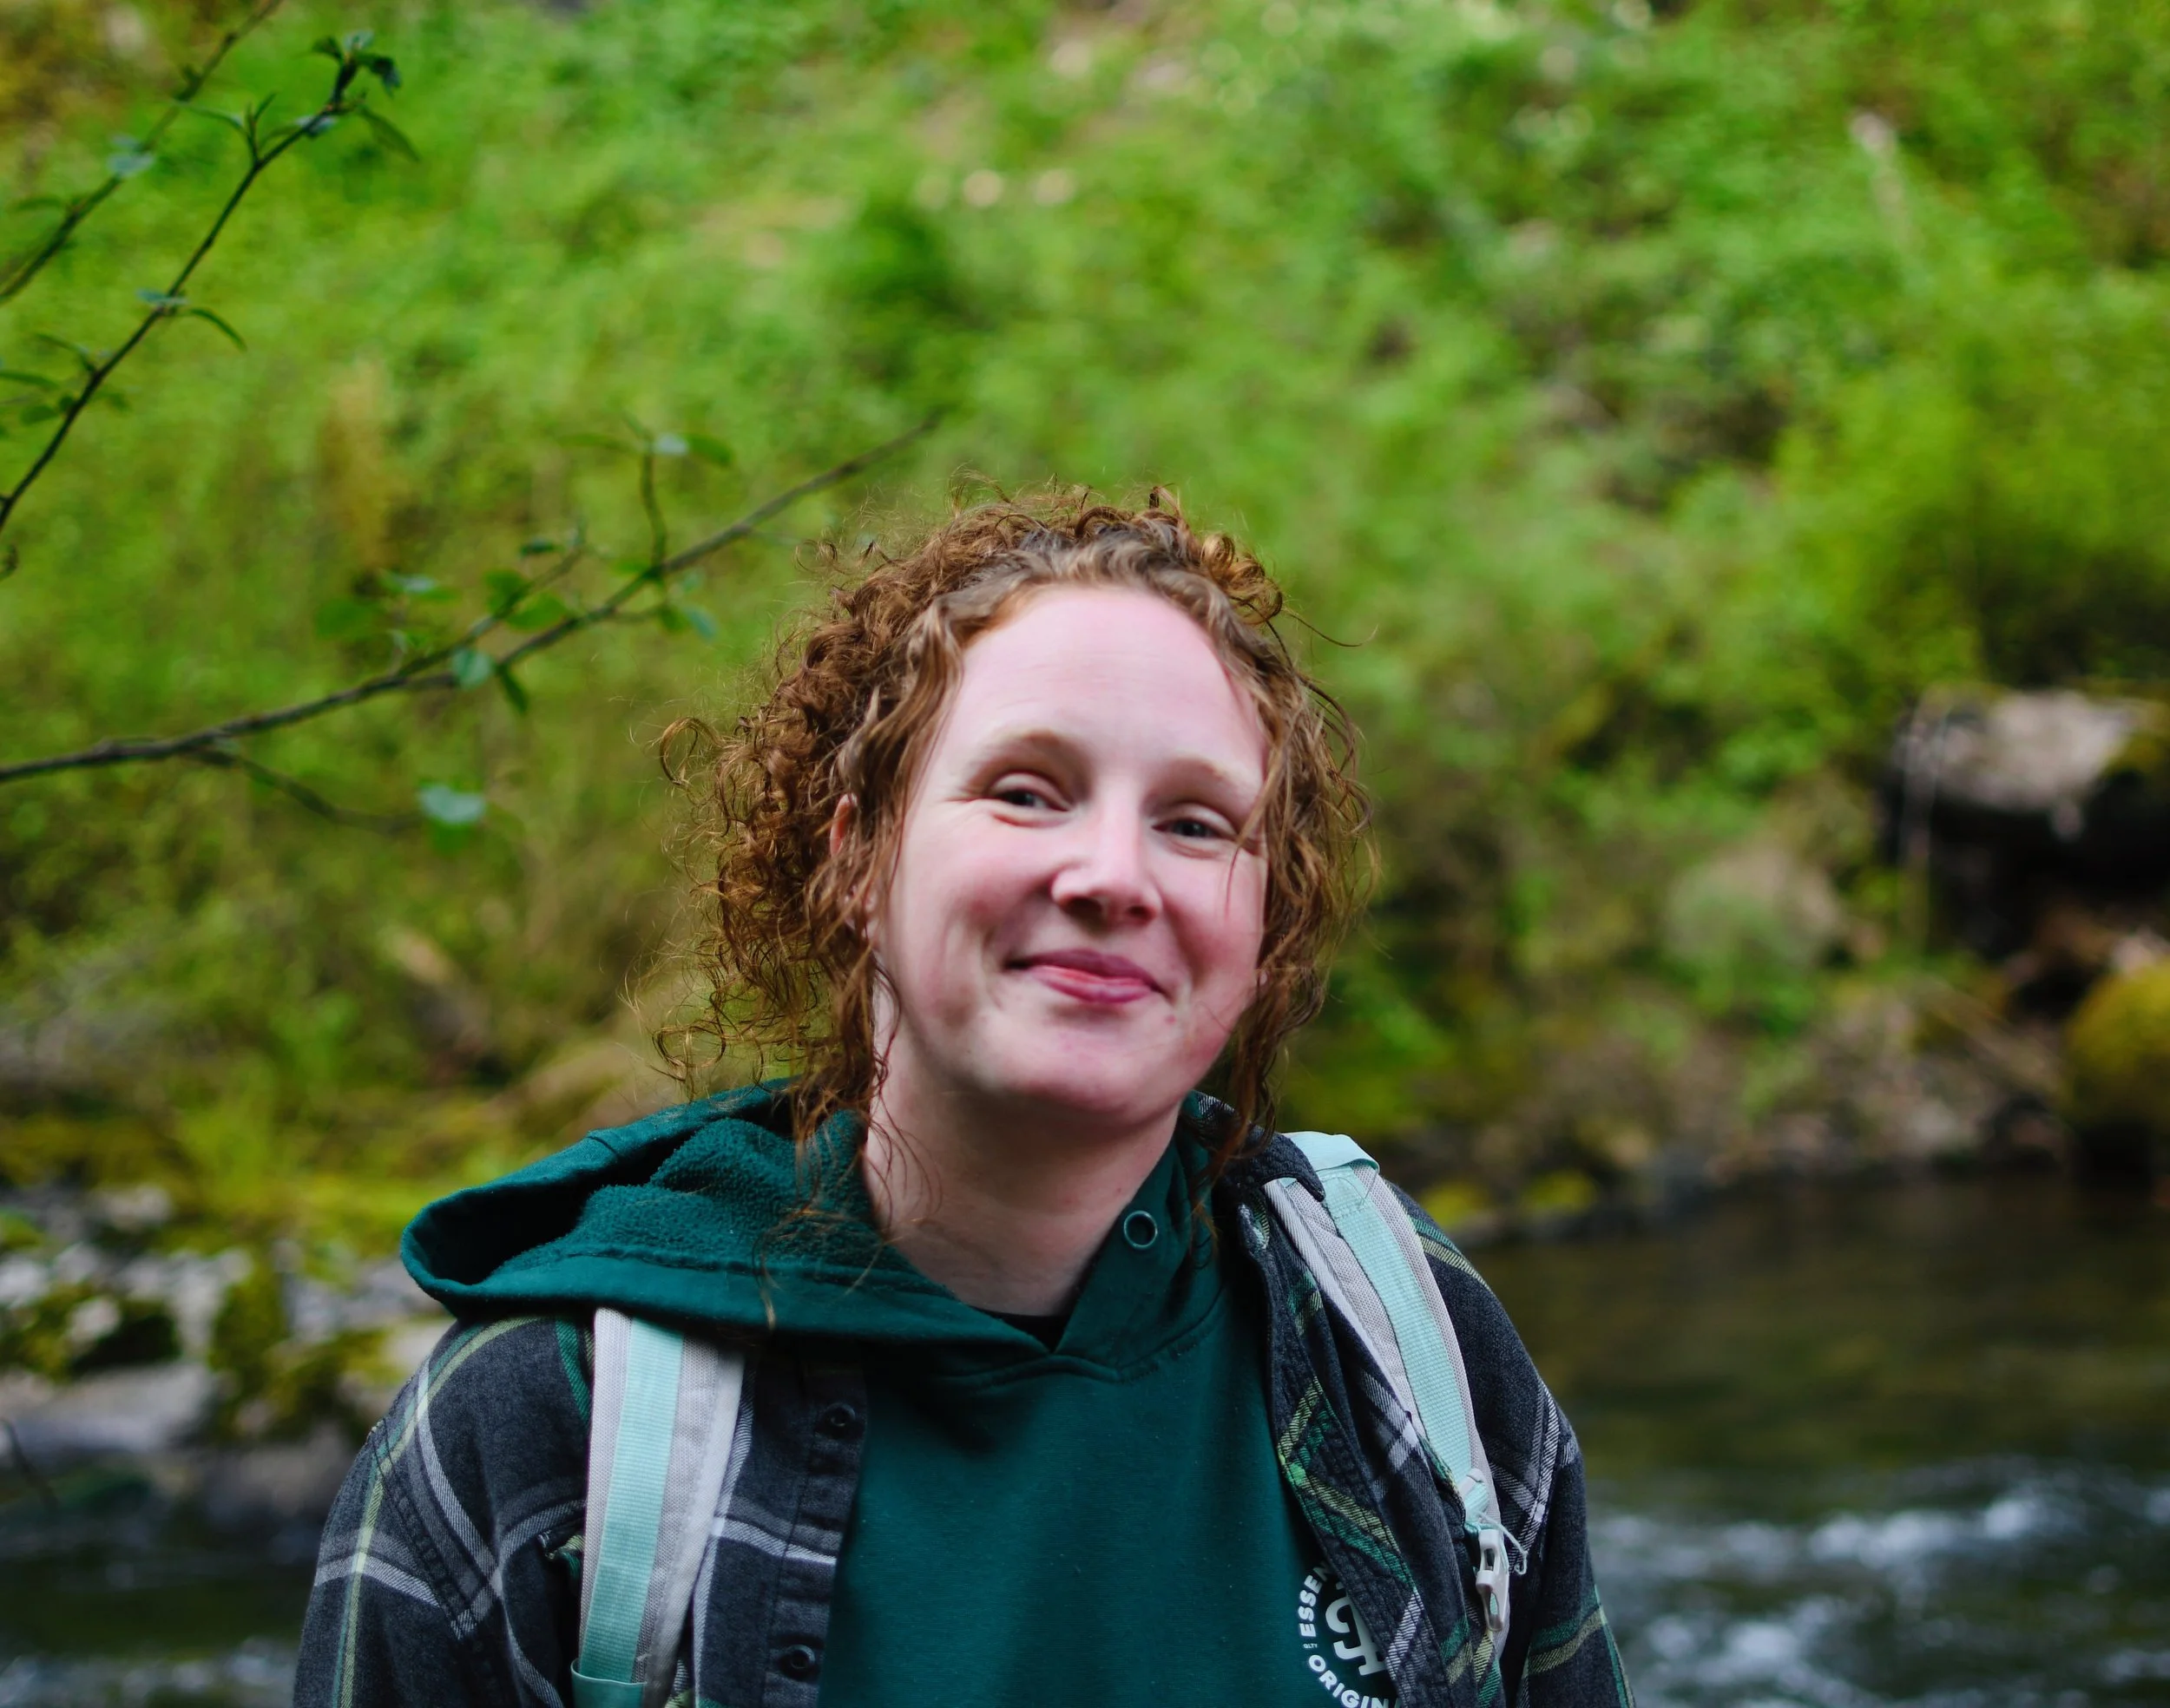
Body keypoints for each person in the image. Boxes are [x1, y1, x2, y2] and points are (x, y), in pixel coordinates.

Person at [296, 493, 1632, 1708]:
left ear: (1265, 916)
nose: (1115, 875)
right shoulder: (547, 1440)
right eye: (1025, 791)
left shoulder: (1404, 1341)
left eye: (1196, 822)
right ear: (860, 859)